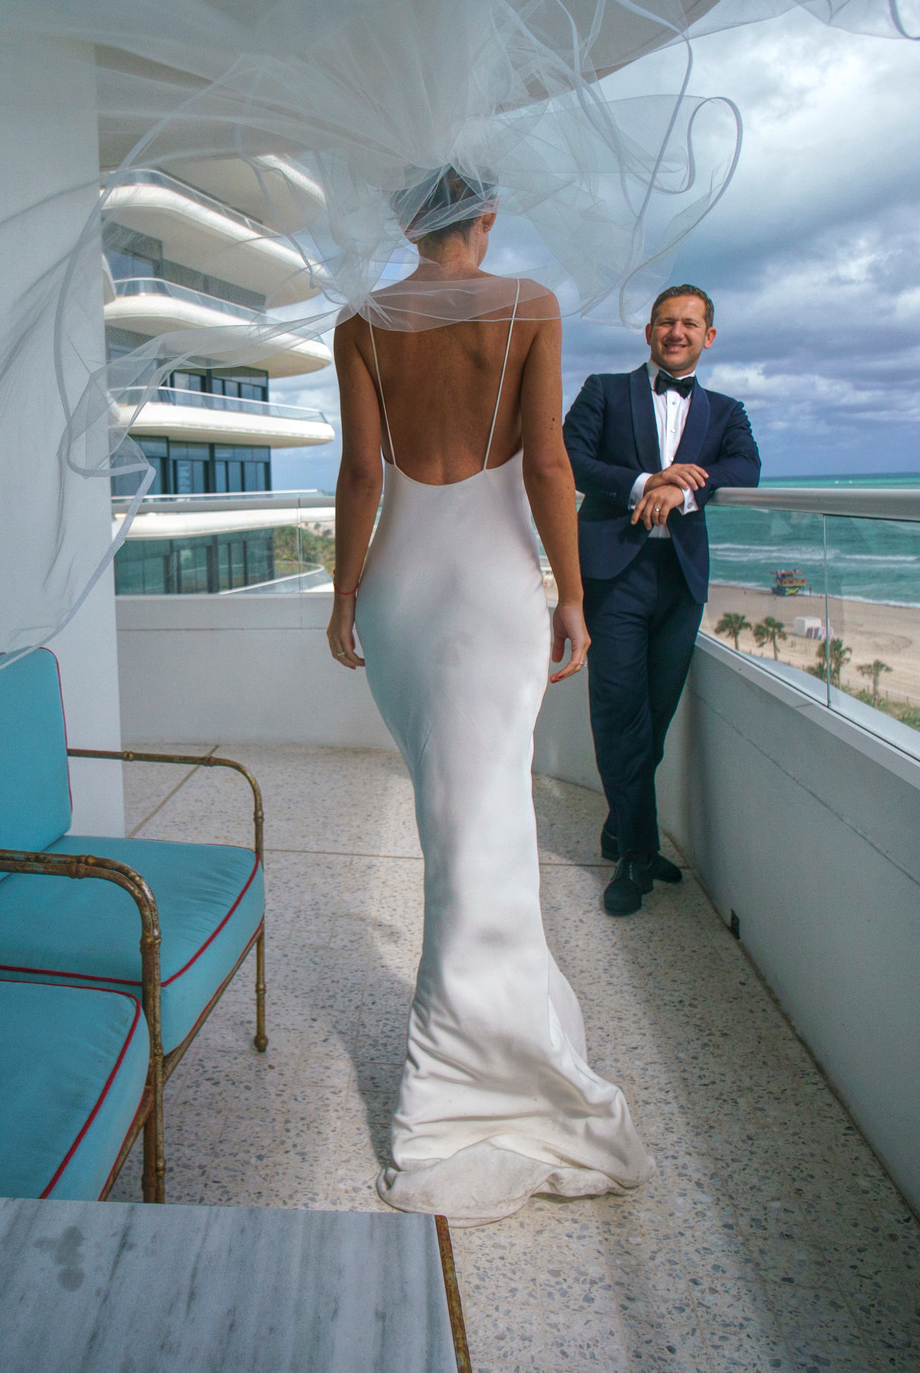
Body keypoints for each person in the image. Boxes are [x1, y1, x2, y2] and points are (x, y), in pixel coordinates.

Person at [323, 166, 648, 1226]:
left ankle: (483, 1044)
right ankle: (491, 1051)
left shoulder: (361, 322)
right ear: (488, 220)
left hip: (404, 590)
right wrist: (573, 598)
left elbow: (362, 477)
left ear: (405, 224)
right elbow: (548, 463)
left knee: (453, 819)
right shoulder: (530, 306)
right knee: (486, 814)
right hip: (502, 585)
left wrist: (343, 596)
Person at [563, 283, 760, 917]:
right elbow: (570, 459)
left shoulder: (727, 412)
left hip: (680, 578)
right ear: (649, 332)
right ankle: (634, 857)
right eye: (666, 322)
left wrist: (683, 494)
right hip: (614, 571)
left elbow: (746, 468)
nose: (677, 332)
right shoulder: (602, 390)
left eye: (690, 323)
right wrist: (647, 481)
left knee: (656, 713)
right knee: (619, 708)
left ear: (709, 336)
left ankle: (624, 827)